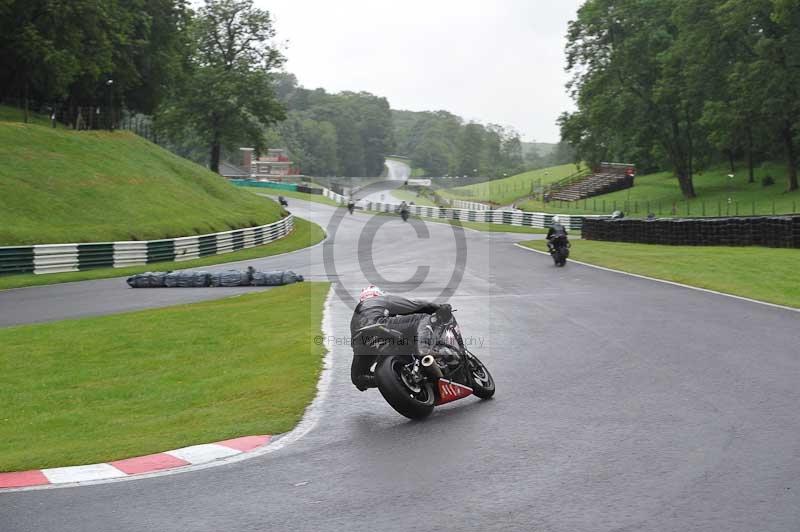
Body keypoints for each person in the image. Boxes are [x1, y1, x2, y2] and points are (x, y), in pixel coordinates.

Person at [349, 285, 450, 391]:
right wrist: (439, 308)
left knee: (358, 377)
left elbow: (357, 377)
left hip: (361, 342)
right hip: (381, 326)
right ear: (378, 294)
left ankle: (395, 379)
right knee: (423, 319)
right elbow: (416, 305)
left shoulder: (357, 314)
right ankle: (425, 351)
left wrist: (387, 380)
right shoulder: (382, 299)